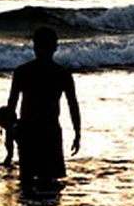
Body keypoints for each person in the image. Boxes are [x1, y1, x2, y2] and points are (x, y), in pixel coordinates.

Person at [5, 27, 81, 186]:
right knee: (49, 184)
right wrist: (77, 133)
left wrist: (10, 144)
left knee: (26, 183)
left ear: (34, 47)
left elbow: (11, 110)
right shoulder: (62, 74)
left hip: (28, 131)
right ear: (55, 47)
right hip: (50, 131)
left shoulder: (22, 72)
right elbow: (72, 105)